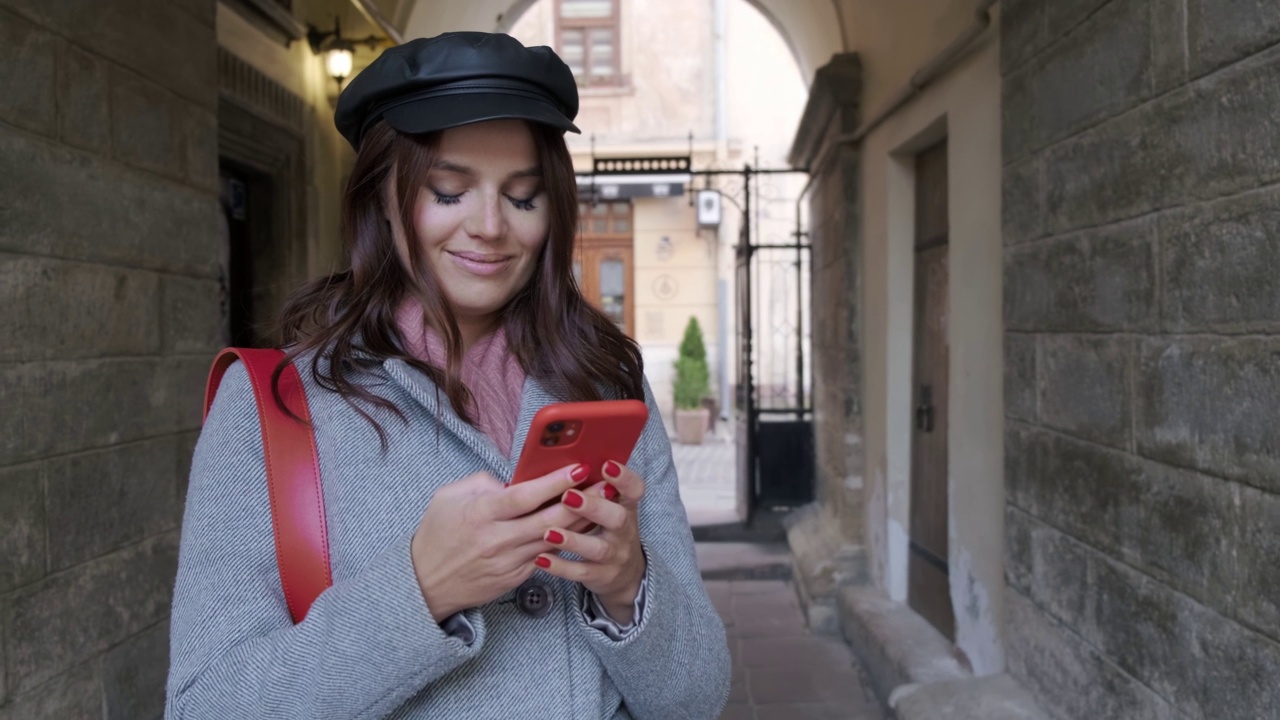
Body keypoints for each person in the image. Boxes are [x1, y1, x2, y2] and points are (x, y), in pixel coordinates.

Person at [164, 31, 731, 720]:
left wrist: (628, 585)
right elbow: (207, 706)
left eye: (523, 198)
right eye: (449, 190)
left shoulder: (607, 382)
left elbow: (698, 699)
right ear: (381, 198)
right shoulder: (276, 406)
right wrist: (419, 590)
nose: (491, 226)